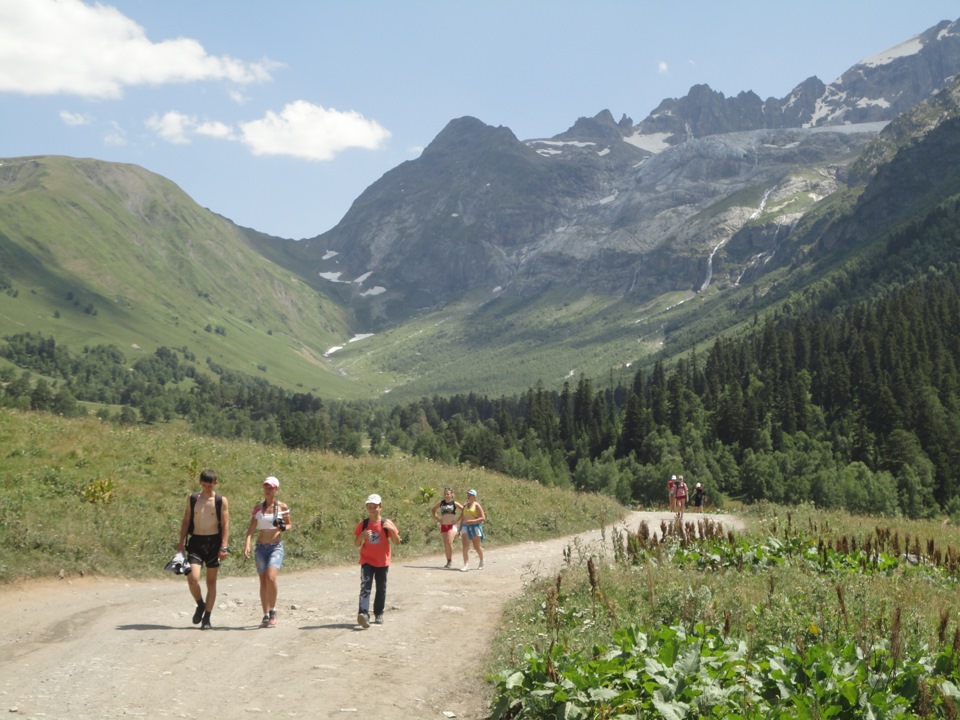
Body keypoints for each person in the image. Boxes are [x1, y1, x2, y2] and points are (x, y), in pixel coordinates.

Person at [177, 468, 230, 630]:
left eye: (210, 486)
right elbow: (186, 520)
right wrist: (180, 543)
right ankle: (200, 604)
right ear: (200, 482)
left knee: (211, 582)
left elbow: (226, 524)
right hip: (196, 541)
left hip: (214, 542)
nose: (207, 488)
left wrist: (224, 546)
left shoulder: (221, 500)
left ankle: (207, 617)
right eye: (204, 485)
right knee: (192, 577)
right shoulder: (193, 498)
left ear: (215, 483)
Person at [243, 476, 292, 628]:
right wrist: (247, 544)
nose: (267, 490)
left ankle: (273, 609)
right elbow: (251, 528)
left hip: (275, 547)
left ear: (276, 489)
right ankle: (265, 614)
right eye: (266, 487)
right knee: (263, 581)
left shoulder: (282, 507)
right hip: (261, 547)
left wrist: (283, 528)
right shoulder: (258, 508)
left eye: (270, 488)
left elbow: (289, 524)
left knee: (271, 577)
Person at [353, 493, 401, 629]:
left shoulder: (387, 523)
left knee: (381, 588)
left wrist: (393, 530)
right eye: (369, 507)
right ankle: (363, 614)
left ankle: (379, 613)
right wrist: (362, 536)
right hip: (367, 560)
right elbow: (357, 543)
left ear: (380, 507)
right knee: (365, 587)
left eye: (374, 507)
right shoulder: (364, 524)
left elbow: (396, 542)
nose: (372, 510)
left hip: (382, 561)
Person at [431, 487, 463, 568]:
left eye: (448, 494)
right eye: (445, 494)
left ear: (451, 494)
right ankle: (448, 561)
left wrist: (458, 520)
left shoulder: (454, 503)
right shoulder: (441, 503)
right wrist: (438, 519)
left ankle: (451, 560)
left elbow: (464, 510)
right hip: (443, 525)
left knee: (449, 542)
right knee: (446, 544)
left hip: (452, 526)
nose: (446, 495)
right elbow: (433, 510)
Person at [459, 489, 485, 572]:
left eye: (470, 495)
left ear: (474, 496)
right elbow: (463, 518)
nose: (468, 496)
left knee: (476, 546)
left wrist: (472, 521)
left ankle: (481, 560)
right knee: (465, 545)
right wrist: (460, 529)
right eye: (468, 494)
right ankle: (466, 565)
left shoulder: (477, 505)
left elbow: (482, 518)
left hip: (475, 526)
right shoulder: (465, 506)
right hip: (465, 526)